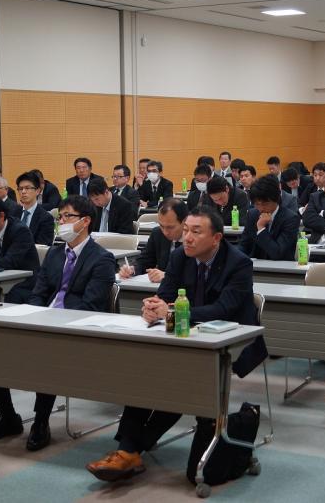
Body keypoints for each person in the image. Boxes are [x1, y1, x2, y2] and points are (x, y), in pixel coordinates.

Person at [86, 206, 266, 482]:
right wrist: (153, 308)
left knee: (180, 381)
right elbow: (166, 294)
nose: (187, 238)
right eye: (186, 231)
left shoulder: (238, 262)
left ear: (216, 238)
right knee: (146, 375)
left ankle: (129, 450)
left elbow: (224, 308)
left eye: (196, 232)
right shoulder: (179, 256)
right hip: (184, 336)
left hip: (230, 340)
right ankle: (129, 451)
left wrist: (171, 311)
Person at [0, 195, 114, 452]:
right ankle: (8, 416)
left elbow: (91, 307)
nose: (62, 222)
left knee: (47, 353)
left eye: (68, 217)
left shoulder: (102, 258)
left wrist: (53, 322)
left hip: (74, 329)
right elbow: (38, 292)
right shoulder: (55, 253)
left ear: (85, 221)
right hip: (43, 321)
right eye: (60, 217)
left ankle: (41, 421)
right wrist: (34, 316)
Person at [119, 198, 187, 282]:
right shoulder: (157, 233)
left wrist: (168, 276)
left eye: (170, 227)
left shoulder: (195, 240)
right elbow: (145, 261)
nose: (165, 232)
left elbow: (196, 273)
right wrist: (132, 269)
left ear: (185, 221)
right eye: (161, 226)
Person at [239, 175, 300, 260]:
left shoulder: (291, 219)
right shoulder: (252, 215)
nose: (261, 208)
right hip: (255, 265)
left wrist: (261, 228)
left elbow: (277, 253)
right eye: (257, 204)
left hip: (281, 266)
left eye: (265, 204)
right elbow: (244, 245)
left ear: (276, 199)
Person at [15, 171, 55, 245]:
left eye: (27, 188)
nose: (23, 192)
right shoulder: (13, 214)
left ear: (37, 191)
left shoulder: (46, 218)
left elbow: (42, 246)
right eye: (20, 188)